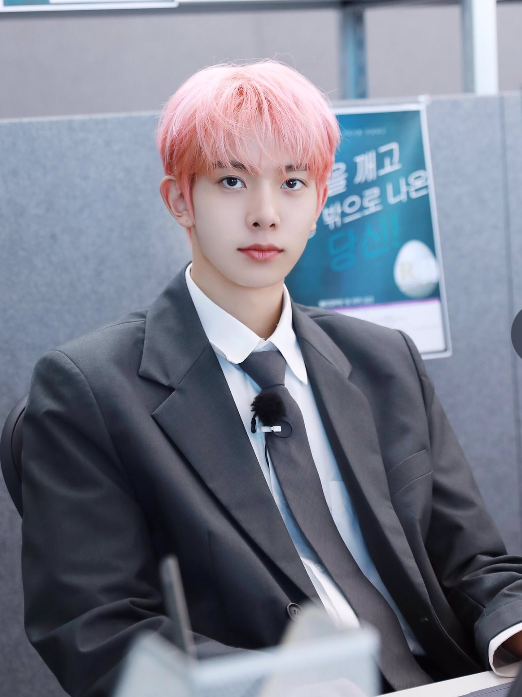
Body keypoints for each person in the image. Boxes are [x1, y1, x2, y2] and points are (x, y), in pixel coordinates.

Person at [20, 59, 522, 697]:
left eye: (291, 182)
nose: (264, 214)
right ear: (180, 200)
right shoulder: (91, 388)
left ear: (319, 202)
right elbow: (97, 627)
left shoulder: (383, 360)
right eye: (231, 181)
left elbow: (476, 563)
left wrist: (513, 628)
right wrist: (265, 686)